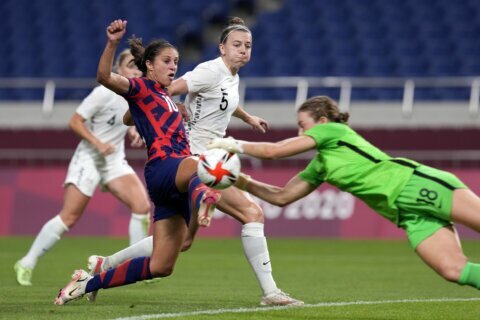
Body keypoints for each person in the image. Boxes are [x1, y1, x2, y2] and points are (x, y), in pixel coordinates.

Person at [88, 17, 303, 306]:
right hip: (196, 159)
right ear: (221, 48)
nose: (243, 50)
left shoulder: (229, 75)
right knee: (252, 214)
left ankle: (106, 264)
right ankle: (271, 293)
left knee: (182, 243)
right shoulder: (210, 70)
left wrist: (246, 116)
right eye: (237, 45)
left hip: (202, 157)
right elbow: (164, 90)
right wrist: (140, 116)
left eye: (248, 46)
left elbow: (222, 98)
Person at [207, 95, 480, 291]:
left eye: (303, 125)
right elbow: (281, 196)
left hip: (416, 184)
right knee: (453, 270)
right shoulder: (323, 165)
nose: (299, 131)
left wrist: (233, 144)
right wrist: (239, 180)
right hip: (406, 215)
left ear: (322, 121)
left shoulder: (334, 130)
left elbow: (274, 151)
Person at [53, 19, 219, 305]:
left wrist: (145, 115)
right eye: (167, 61)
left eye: (176, 61)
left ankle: (87, 282)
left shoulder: (163, 97)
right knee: (202, 165)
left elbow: (129, 116)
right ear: (150, 65)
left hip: (171, 179)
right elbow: (105, 77)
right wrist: (112, 44)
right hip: (167, 166)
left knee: (162, 265)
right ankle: (206, 195)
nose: (173, 66)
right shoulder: (141, 87)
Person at [13, 48, 151, 286]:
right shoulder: (103, 93)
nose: (136, 70)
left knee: (141, 207)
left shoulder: (136, 95)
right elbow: (75, 121)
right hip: (89, 157)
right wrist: (98, 143)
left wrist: (134, 131)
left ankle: (137, 267)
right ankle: (26, 262)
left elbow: (125, 120)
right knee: (69, 217)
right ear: (119, 69)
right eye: (130, 65)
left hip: (114, 159)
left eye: (139, 66)